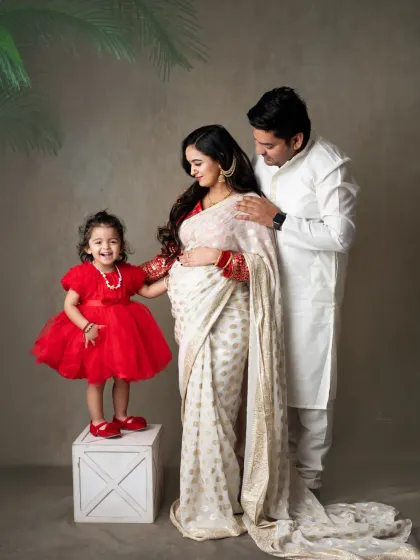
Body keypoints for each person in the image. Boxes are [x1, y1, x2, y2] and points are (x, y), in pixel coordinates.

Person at [139, 125, 414, 558]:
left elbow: (264, 268)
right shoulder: (190, 202)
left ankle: (223, 503)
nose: (192, 171)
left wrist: (218, 256)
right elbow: (172, 256)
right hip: (191, 319)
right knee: (197, 408)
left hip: (229, 321)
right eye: (188, 164)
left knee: (218, 410)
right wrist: (120, 277)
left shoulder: (245, 205)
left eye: (198, 163)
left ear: (222, 160)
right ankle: (211, 499)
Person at [236, 86, 359, 494]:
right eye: (257, 143)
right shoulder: (266, 155)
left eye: (268, 146)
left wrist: (278, 219)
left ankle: (310, 480)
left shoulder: (330, 166)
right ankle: (280, 476)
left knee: (311, 391)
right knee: (273, 383)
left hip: (311, 297)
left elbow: (341, 237)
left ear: (297, 139)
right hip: (266, 288)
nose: (260, 153)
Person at [32, 210, 171, 438]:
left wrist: (172, 280)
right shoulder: (82, 274)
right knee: (96, 379)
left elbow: (147, 291)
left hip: (122, 332)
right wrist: (87, 327)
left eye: (113, 241)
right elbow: (69, 305)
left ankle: (121, 416)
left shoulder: (127, 273)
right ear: (87, 248)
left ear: (121, 246)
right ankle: (98, 421)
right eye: (98, 242)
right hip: (95, 332)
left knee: (123, 376)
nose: (106, 247)